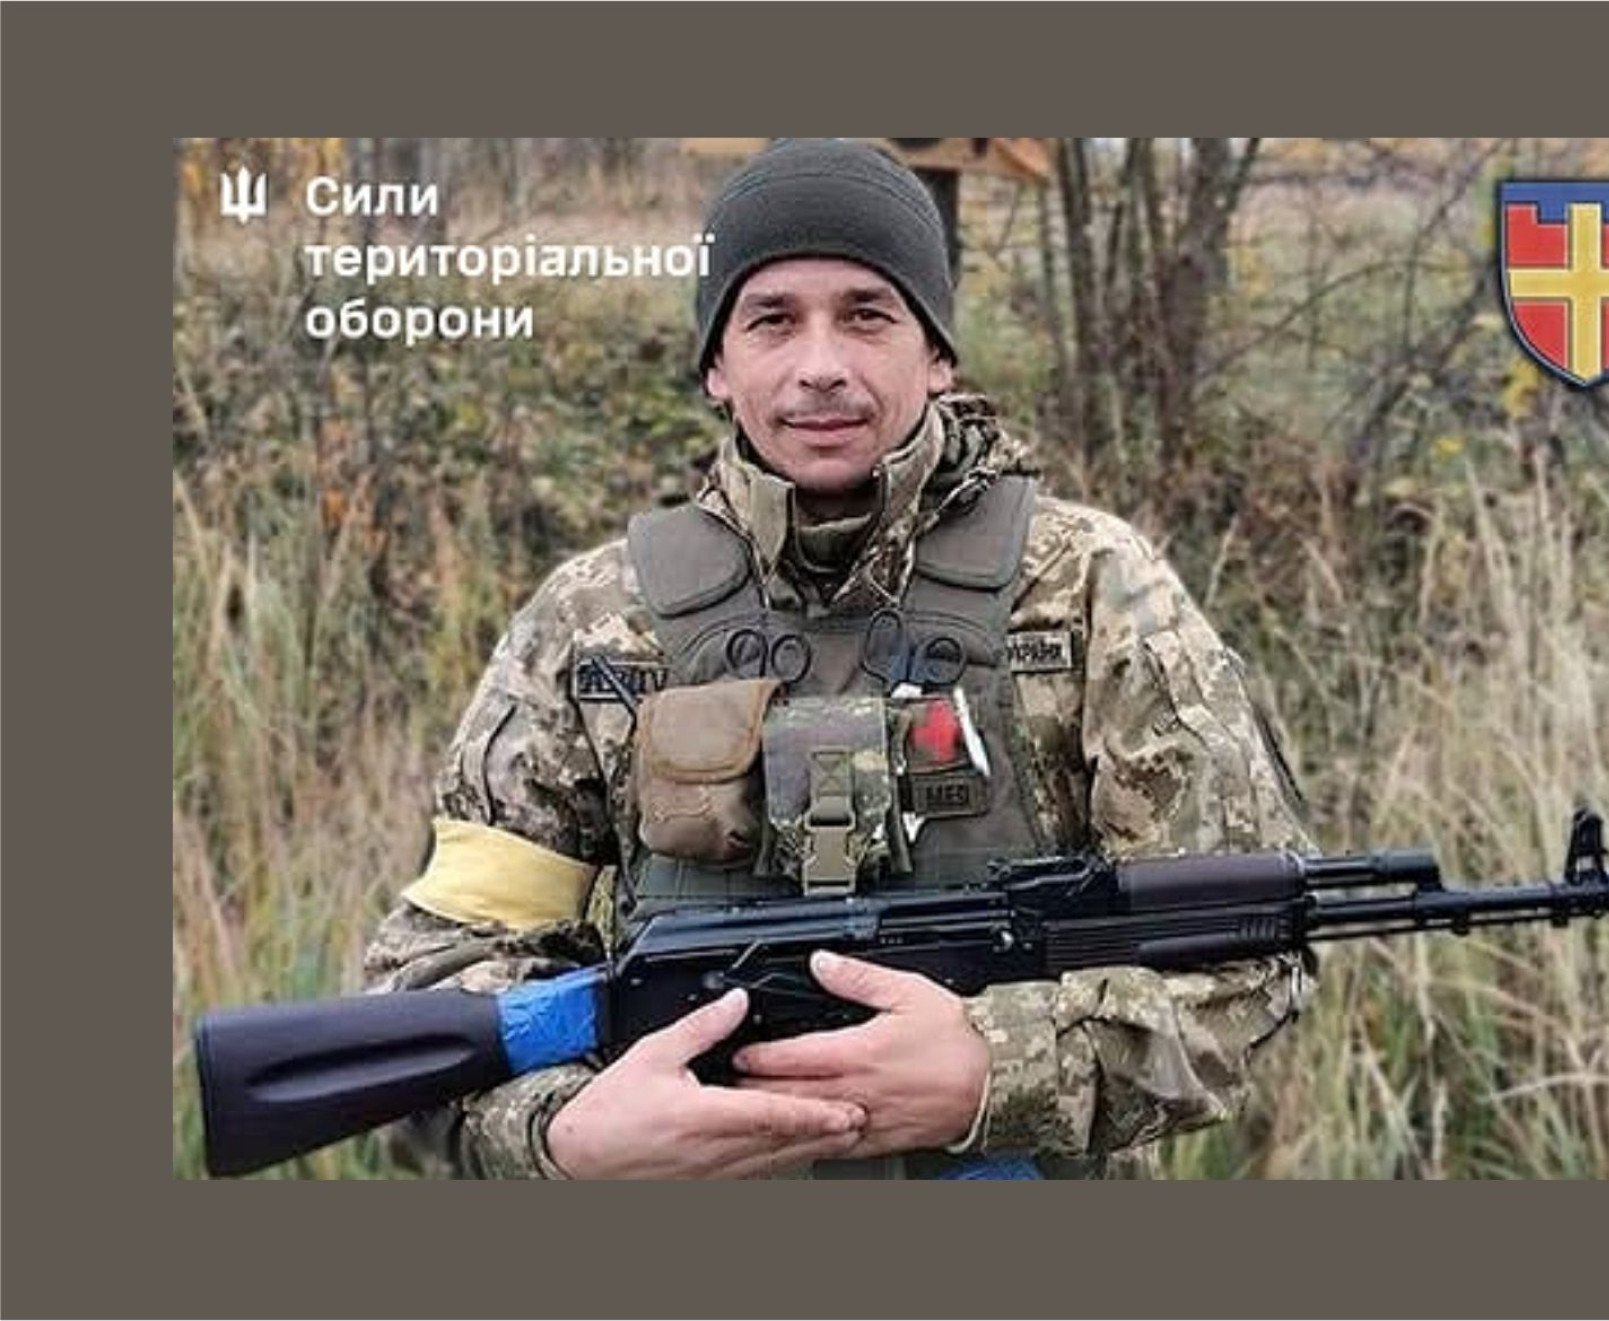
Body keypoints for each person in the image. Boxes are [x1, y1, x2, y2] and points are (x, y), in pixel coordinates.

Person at [363, 138, 1316, 1180]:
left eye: (868, 314)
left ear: (937, 352)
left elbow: (1245, 963)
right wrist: (561, 1135)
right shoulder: (596, 622)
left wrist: (995, 1070)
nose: (821, 364)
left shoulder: (1090, 589)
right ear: (717, 366)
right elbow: (431, 986)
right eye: (772, 319)